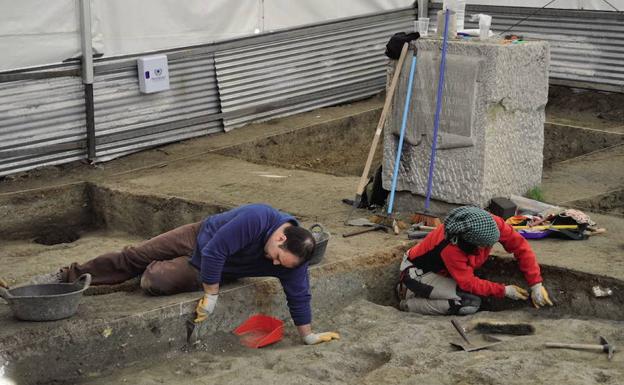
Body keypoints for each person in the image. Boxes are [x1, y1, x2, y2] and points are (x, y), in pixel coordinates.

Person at [33, 203, 339, 345]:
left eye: (281, 266)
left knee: (155, 281)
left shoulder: (294, 260)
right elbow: (216, 249)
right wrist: (212, 294)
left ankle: (155, 270)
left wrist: (308, 335)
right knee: (136, 254)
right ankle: (70, 275)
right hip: (201, 237)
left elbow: (299, 294)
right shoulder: (257, 218)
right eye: (276, 259)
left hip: (213, 267)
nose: (274, 266)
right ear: (281, 238)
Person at [396, 206, 553, 315]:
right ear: (470, 243)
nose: (489, 247)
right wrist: (504, 290)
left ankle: (427, 293)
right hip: (418, 274)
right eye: (485, 246)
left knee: (473, 295)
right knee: (467, 303)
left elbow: (520, 246)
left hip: (446, 273)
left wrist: (536, 284)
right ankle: (409, 302)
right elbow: (468, 283)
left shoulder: (492, 223)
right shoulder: (451, 249)